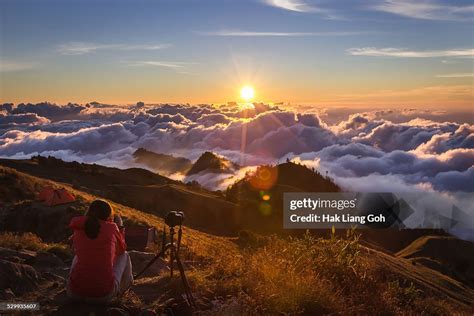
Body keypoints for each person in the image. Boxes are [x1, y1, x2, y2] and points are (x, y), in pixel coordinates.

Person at [67, 200, 133, 302]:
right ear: (108, 215)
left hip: (74, 292)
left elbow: (74, 248)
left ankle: (77, 283)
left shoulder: (78, 227)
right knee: (124, 255)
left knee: (78, 256)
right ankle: (123, 291)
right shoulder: (112, 227)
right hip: (103, 294)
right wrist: (120, 228)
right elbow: (121, 250)